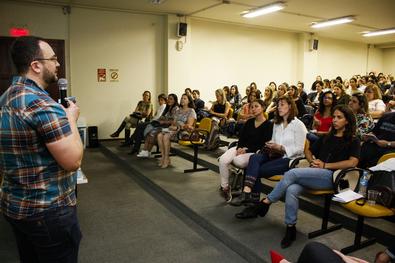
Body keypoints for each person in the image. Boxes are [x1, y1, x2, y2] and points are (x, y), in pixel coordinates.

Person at [0, 36, 83, 262]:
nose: (58, 64)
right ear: (36, 65)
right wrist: (71, 119)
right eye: (53, 59)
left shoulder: (6, 96)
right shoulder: (40, 104)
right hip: (48, 210)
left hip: (15, 204)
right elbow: (73, 161)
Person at [236, 105, 360, 249]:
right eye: (334, 117)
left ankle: (265, 202)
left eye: (339, 117)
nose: (335, 120)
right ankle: (290, 227)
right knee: (292, 189)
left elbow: (353, 162)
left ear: (347, 121)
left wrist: (325, 165)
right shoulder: (328, 136)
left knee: (292, 173)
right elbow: (308, 149)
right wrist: (311, 160)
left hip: (334, 177)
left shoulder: (353, 140)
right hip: (317, 172)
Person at [231, 95, 307, 206]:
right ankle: (248, 195)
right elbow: (273, 141)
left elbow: (300, 149)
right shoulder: (276, 124)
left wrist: (281, 148)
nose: (279, 107)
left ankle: (251, 201)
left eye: (282, 105)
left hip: (288, 158)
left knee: (254, 168)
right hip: (274, 154)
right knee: (254, 158)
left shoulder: (298, 125)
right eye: (278, 105)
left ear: (290, 106)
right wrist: (270, 146)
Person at [218, 100, 273, 202]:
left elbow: (263, 144)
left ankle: (244, 187)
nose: (253, 109)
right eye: (252, 107)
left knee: (237, 161)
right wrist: (239, 147)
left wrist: (247, 149)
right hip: (241, 148)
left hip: (255, 152)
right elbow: (241, 138)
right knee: (223, 160)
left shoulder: (269, 125)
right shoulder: (249, 122)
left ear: (263, 108)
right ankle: (225, 188)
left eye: (256, 106)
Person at [157, 94, 196, 168]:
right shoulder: (178, 110)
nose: (182, 100)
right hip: (175, 129)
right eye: (181, 98)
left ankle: (166, 159)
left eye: (185, 98)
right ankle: (164, 157)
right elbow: (174, 122)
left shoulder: (191, 111)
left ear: (189, 101)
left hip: (183, 132)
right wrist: (173, 126)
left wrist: (177, 127)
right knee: (159, 135)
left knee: (165, 137)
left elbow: (188, 126)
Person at [137, 94, 179, 158]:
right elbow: (162, 117)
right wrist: (159, 120)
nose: (169, 100)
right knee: (150, 131)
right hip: (163, 125)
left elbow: (173, 121)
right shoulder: (167, 107)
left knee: (152, 132)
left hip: (169, 126)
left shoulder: (176, 108)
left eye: (171, 99)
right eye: (168, 98)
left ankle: (147, 151)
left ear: (175, 100)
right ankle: (146, 151)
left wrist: (163, 121)